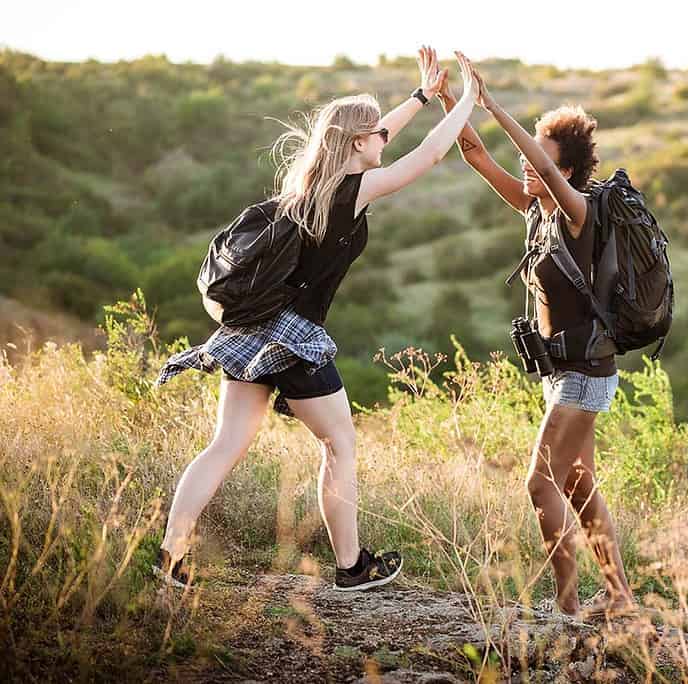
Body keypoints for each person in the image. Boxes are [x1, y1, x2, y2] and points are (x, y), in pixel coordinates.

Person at [153, 47, 479, 592]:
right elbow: (428, 154)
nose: (383, 139)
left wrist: (422, 96)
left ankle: (171, 555)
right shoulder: (355, 191)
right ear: (356, 145)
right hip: (294, 338)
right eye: (374, 135)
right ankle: (352, 568)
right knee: (339, 446)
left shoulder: (307, 189)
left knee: (225, 445)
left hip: (252, 331)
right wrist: (468, 98)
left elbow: (385, 138)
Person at [438, 59, 635, 617]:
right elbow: (476, 153)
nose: (528, 169)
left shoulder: (578, 213)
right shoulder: (537, 212)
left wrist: (496, 106)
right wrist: (449, 98)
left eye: (541, 161)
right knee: (576, 484)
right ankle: (619, 598)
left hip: (585, 376)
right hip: (563, 376)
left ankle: (567, 604)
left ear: (567, 172)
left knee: (539, 482)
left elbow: (543, 175)